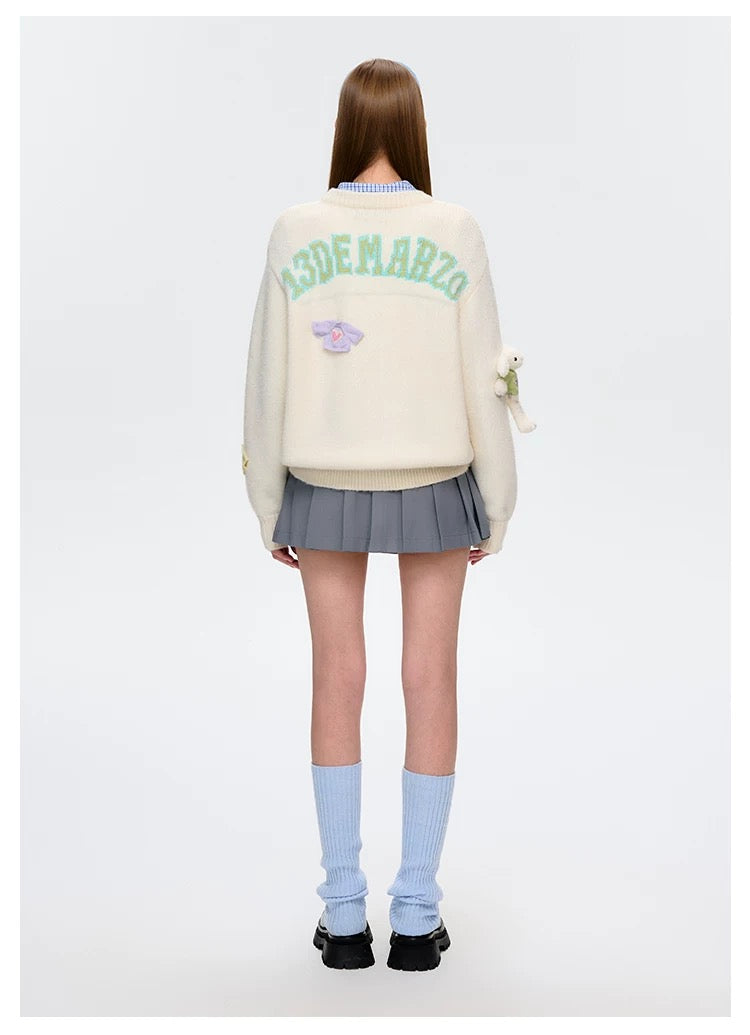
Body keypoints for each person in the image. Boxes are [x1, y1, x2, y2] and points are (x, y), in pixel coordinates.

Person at [242, 58, 518, 972]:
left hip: (322, 479)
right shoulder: (454, 229)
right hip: (436, 477)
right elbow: (485, 372)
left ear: (346, 126)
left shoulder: (296, 230)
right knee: (429, 677)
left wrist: (268, 501)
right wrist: (498, 500)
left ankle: (343, 915)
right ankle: (417, 916)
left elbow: (267, 375)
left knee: (338, 677)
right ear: (414, 127)